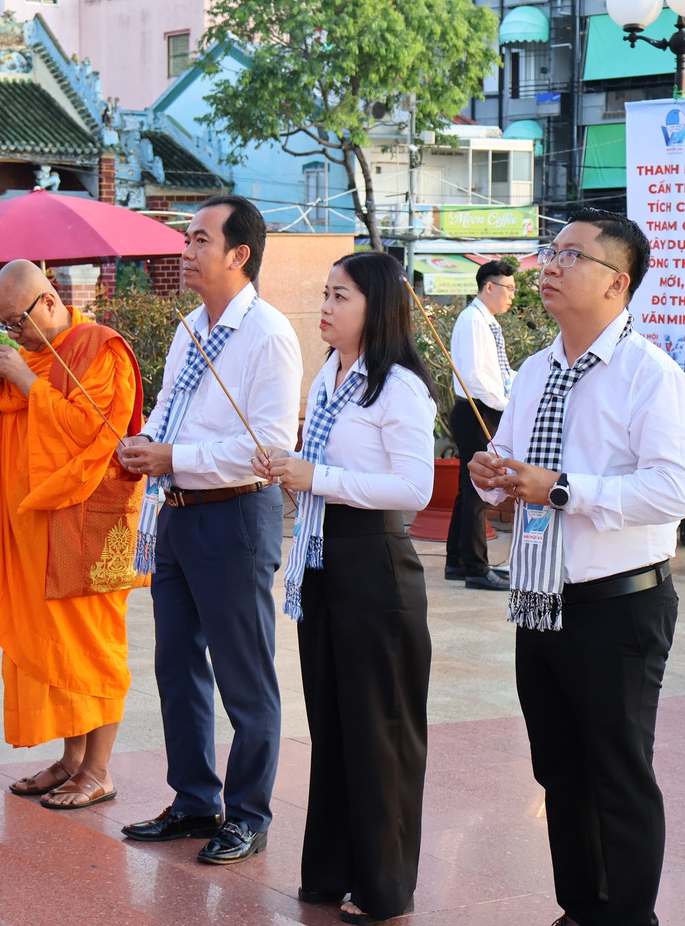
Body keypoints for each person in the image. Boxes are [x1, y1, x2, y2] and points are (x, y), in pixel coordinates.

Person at [469, 208, 685, 926]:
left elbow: (676, 491)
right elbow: (511, 467)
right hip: (540, 596)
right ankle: (582, 909)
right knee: (559, 769)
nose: (551, 266)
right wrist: (491, 475)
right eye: (551, 253)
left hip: (618, 605)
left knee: (618, 773)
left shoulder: (651, 376)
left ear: (616, 282)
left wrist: (564, 489)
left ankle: (628, 918)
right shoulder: (536, 371)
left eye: (572, 256)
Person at [117, 194, 301, 866]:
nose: (186, 250)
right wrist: (146, 443)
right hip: (178, 513)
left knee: (244, 675)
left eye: (200, 240)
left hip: (236, 516)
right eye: (186, 238)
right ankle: (195, 800)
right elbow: (170, 407)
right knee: (177, 665)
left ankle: (248, 814)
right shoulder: (192, 326)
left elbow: (270, 447)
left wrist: (177, 457)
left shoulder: (268, 334)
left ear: (239, 254)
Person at [253, 251, 435, 925]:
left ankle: (384, 888)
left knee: (379, 731)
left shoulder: (399, 387)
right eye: (325, 294)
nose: (326, 308)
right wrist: (292, 467)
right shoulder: (330, 375)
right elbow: (322, 468)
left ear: (377, 308)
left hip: (375, 564)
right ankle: (330, 872)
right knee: (332, 725)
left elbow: (414, 488)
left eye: (341, 297)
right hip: (323, 559)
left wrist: (317, 478)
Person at [0, 260, 143, 809]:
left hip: (87, 524)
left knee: (92, 646)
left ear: (49, 301)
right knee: (54, 650)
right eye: (4, 324)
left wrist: (25, 380)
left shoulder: (100, 348)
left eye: (18, 321)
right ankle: (72, 760)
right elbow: (18, 429)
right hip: (32, 527)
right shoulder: (30, 357)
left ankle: (98, 771)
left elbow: (93, 432)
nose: (14, 333)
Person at [446, 259, 517, 591]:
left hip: (484, 407)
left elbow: (499, 373)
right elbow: (475, 376)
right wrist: (506, 404)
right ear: (489, 287)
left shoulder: (486, 320)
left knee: (468, 490)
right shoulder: (474, 320)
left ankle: (457, 562)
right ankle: (476, 568)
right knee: (479, 489)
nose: (512, 295)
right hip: (478, 410)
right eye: (509, 288)